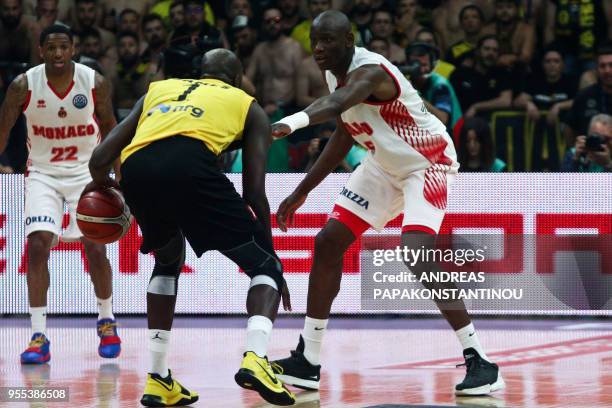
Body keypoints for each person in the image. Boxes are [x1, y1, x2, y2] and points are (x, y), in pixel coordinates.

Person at [269, 10, 504, 396]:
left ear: (349, 40)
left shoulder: (372, 70)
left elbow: (338, 103)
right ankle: (307, 360)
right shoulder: (335, 73)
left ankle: (480, 359)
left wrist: (290, 123)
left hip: (426, 163)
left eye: (327, 40)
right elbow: (344, 133)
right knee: (328, 242)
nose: (318, 48)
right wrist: (303, 190)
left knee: (416, 252)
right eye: (314, 40)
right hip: (383, 163)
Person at [86, 48, 295, 407]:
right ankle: (256, 359)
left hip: (137, 168)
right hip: (192, 164)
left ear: (200, 73)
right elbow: (254, 192)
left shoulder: (158, 89)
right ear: (235, 77)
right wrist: (271, 259)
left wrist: (111, 190)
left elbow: (99, 159)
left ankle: (158, 378)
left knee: (167, 262)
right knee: (262, 268)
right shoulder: (247, 103)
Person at [0, 24, 121, 364]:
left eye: (63, 47)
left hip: (87, 171)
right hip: (43, 173)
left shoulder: (93, 81)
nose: (56, 54)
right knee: (37, 245)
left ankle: (107, 320)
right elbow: (4, 128)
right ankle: (39, 336)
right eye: (50, 48)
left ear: (73, 49)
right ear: (41, 50)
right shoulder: (23, 85)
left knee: (95, 247)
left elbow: (112, 126)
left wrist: (119, 172)